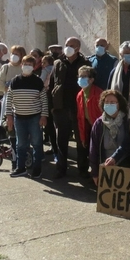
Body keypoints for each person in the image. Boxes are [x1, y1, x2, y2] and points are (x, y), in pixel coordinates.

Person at [49, 37, 90, 179]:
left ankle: (83, 170)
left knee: (81, 141)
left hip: (79, 109)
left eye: (72, 45)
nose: (68, 47)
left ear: (78, 48)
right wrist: (52, 107)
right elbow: (52, 84)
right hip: (61, 108)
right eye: (67, 45)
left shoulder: (86, 63)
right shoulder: (58, 63)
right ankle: (61, 169)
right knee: (61, 140)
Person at [6, 55, 48, 178]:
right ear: (21, 65)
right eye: (25, 64)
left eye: (30, 65)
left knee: (37, 143)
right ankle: (20, 168)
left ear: (34, 67)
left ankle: (37, 169)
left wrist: (44, 116)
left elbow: (44, 100)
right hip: (19, 118)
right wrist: (9, 116)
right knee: (20, 144)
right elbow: (9, 99)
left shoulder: (38, 82)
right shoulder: (15, 81)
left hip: (35, 118)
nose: (27, 67)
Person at [89, 90, 130, 185]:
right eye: (107, 102)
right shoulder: (99, 124)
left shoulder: (127, 121)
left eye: (113, 102)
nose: (109, 105)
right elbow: (93, 150)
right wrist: (95, 173)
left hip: (126, 169)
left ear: (119, 104)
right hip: (106, 169)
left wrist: (115, 158)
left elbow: (129, 144)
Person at [76, 66, 103, 170]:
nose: (81, 79)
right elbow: (80, 117)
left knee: (98, 152)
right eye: (80, 76)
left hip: (99, 127)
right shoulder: (80, 95)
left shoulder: (99, 93)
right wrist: (82, 136)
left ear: (91, 80)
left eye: (84, 76)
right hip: (87, 126)